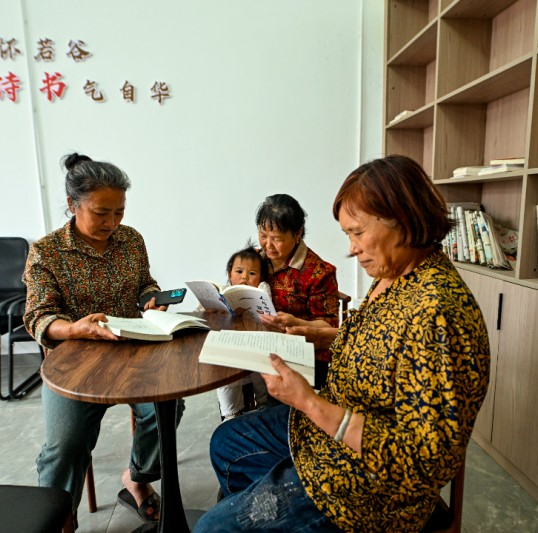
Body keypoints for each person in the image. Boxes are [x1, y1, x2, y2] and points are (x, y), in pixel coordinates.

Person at [193, 155, 491, 532]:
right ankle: (268, 505)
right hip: (336, 421)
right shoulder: (398, 273)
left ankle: (275, 508)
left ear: (404, 220)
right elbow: (382, 342)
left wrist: (307, 401)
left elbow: (425, 463)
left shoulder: (436, 315)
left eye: (358, 232)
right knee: (226, 441)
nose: (351, 248)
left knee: (210, 528)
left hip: (366, 485)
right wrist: (316, 331)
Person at [23, 153, 183, 525]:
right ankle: (58, 522)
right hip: (75, 363)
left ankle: (137, 479)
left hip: (132, 352)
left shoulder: (131, 240)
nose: (112, 223)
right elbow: (37, 317)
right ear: (72, 204)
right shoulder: (46, 252)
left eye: (119, 212)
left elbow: (145, 284)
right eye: (101, 213)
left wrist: (151, 300)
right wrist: (75, 328)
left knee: (165, 410)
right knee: (65, 446)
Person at [253, 193, 339, 388]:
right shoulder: (257, 260)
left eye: (277, 239)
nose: (268, 245)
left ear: (297, 233)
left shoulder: (319, 272)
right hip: (262, 343)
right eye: (263, 236)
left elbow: (329, 327)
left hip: (305, 355)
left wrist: (296, 323)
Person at [212, 244, 272, 420]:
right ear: (229, 273)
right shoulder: (223, 291)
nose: (244, 277)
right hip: (230, 346)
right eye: (239, 271)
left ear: (261, 277)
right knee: (224, 372)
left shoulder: (261, 289)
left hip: (257, 345)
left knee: (262, 371)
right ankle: (231, 413)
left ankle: (264, 406)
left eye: (252, 273)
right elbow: (202, 311)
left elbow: (266, 308)